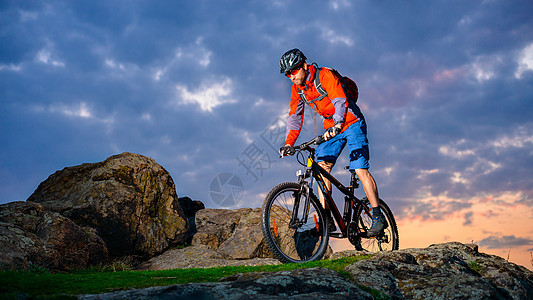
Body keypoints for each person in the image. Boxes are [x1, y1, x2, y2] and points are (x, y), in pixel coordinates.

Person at [278, 48, 386, 237]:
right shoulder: (298, 90)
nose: (291, 77)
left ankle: (378, 216)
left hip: (351, 123)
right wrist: (288, 143)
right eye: (287, 74)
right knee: (321, 168)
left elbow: (339, 101)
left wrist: (337, 124)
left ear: (304, 65)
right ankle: (327, 221)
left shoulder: (325, 75)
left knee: (360, 169)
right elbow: (295, 117)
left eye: (294, 71)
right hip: (332, 128)